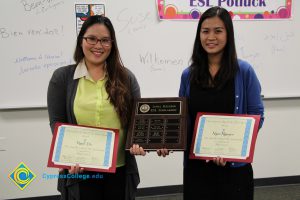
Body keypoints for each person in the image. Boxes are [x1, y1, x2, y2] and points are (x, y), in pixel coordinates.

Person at [47, 15, 140, 200]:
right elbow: (57, 123)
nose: (98, 45)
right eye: (91, 38)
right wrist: (69, 156)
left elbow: (137, 122)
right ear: (81, 40)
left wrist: (138, 142)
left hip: (119, 169)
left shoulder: (126, 78)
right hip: (81, 169)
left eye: (105, 40)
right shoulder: (62, 78)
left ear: (112, 44)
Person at [178, 6, 264, 200]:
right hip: (196, 168)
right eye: (205, 31)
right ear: (199, 34)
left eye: (218, 31)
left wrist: (232, 149)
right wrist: (168, 141)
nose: (211, 37)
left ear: (228, 34)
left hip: (233, 169)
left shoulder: (244, 71)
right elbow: (182, 118)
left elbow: (257, 115)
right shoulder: (188, 75)